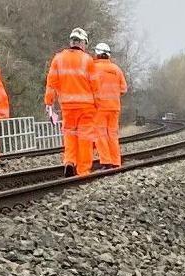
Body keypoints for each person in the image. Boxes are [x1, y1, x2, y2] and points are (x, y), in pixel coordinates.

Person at [45, 28, 99, 177]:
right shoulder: (87, 60)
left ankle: (69, 161)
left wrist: (49, 103)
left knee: (69, 135)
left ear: (71, 41)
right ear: (82, 43)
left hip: (67, 107)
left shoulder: (58, 59)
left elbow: (51, 83)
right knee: (85, 138)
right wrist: (98, 105)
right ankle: (83, 170)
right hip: (86, 107)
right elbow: (95, 86)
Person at [90, 42, 128, 170]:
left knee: (101, 134)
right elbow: (123, 89)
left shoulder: (93, 68)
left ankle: (106, 162)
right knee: (112, 134)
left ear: (98, 54)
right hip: (114, 107)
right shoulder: (116, 69)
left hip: (99, 108)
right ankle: (116, 161)